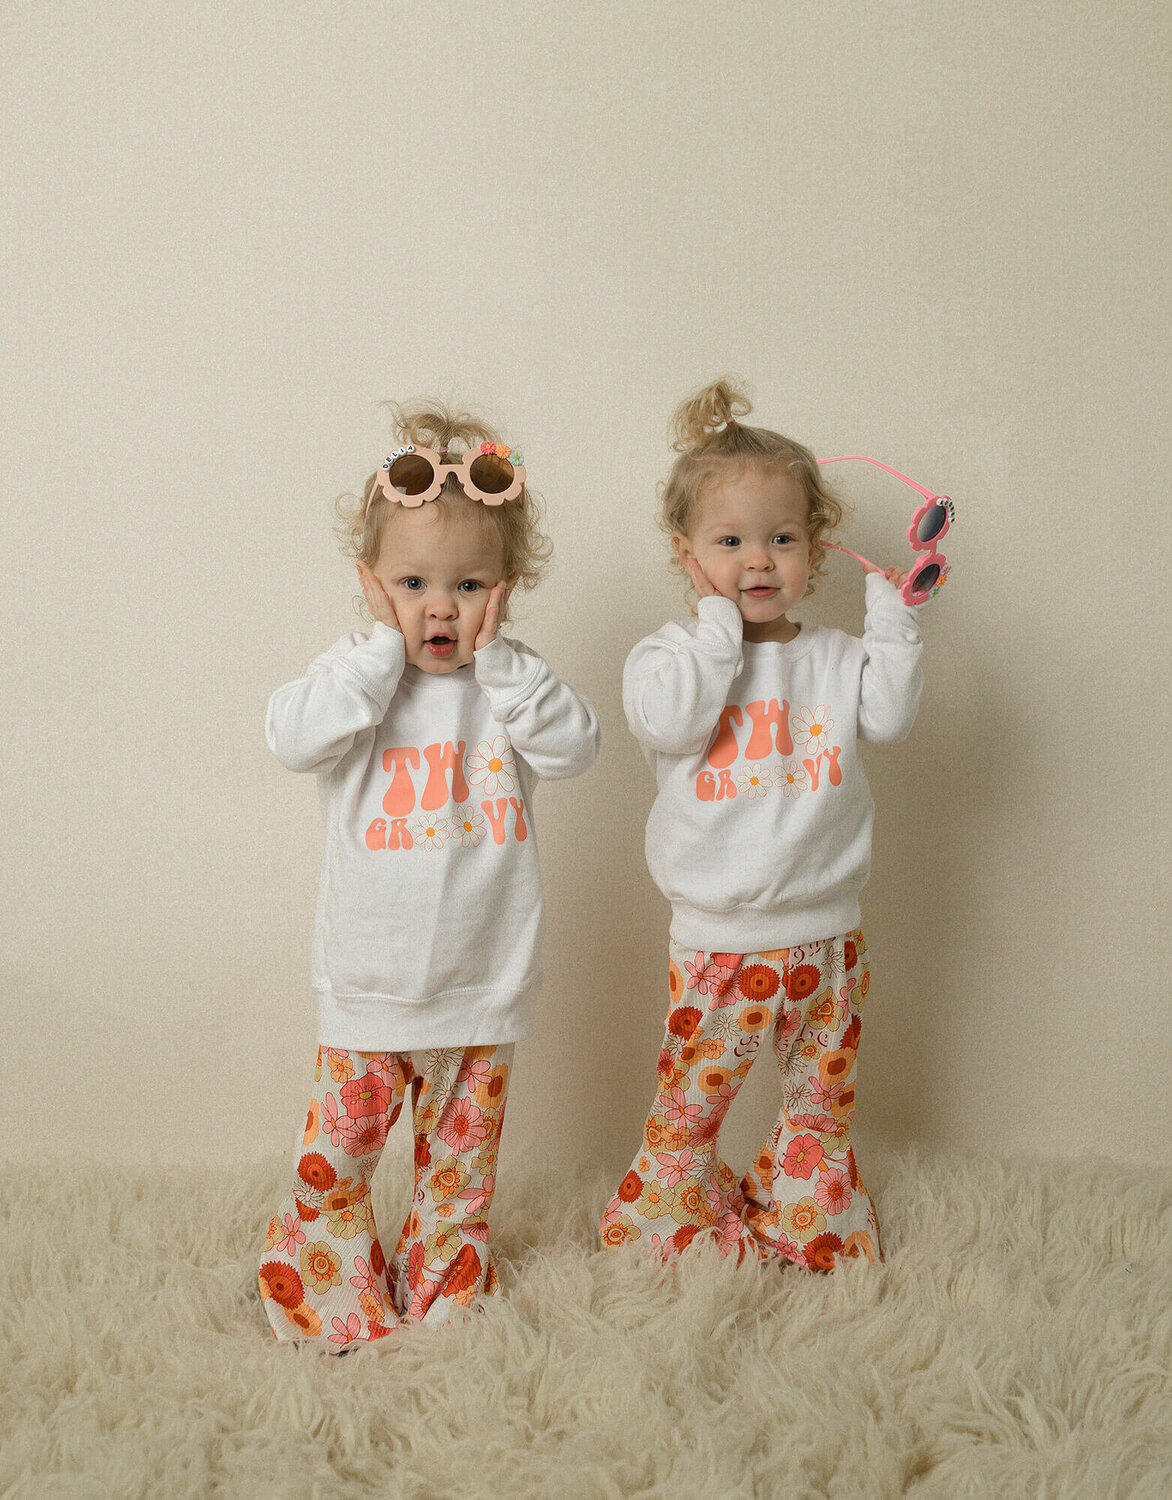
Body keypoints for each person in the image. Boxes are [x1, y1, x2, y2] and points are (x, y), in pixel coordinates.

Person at [259, 402, 599, 1347]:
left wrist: (508, 671)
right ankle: (319, 1284)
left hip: (482, 982)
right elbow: (291, 738)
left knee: (460, 1167)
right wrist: (376, 652)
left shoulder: (512, 686)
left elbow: (579, 749)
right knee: (342, 1156)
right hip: (371, 983)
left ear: (506, 587)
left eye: (467, 584)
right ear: (371, 585)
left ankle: (446, 1284)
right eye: (411, 583)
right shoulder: (356, 681)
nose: (439, 608)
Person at [599, 379, 923, 1269]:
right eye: (730, 542)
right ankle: (665, 1232)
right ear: (686, 553)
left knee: (821, 1104)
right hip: (721, 940)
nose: (758, 561)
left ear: (815, 550)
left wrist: (895, 627)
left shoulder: (832, 657)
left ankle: (810, 1223)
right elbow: (670, 725)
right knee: (689, 1109)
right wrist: (714, 631)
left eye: (782, 539)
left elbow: (888, 720)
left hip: (828, 939)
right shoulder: (669, 660)